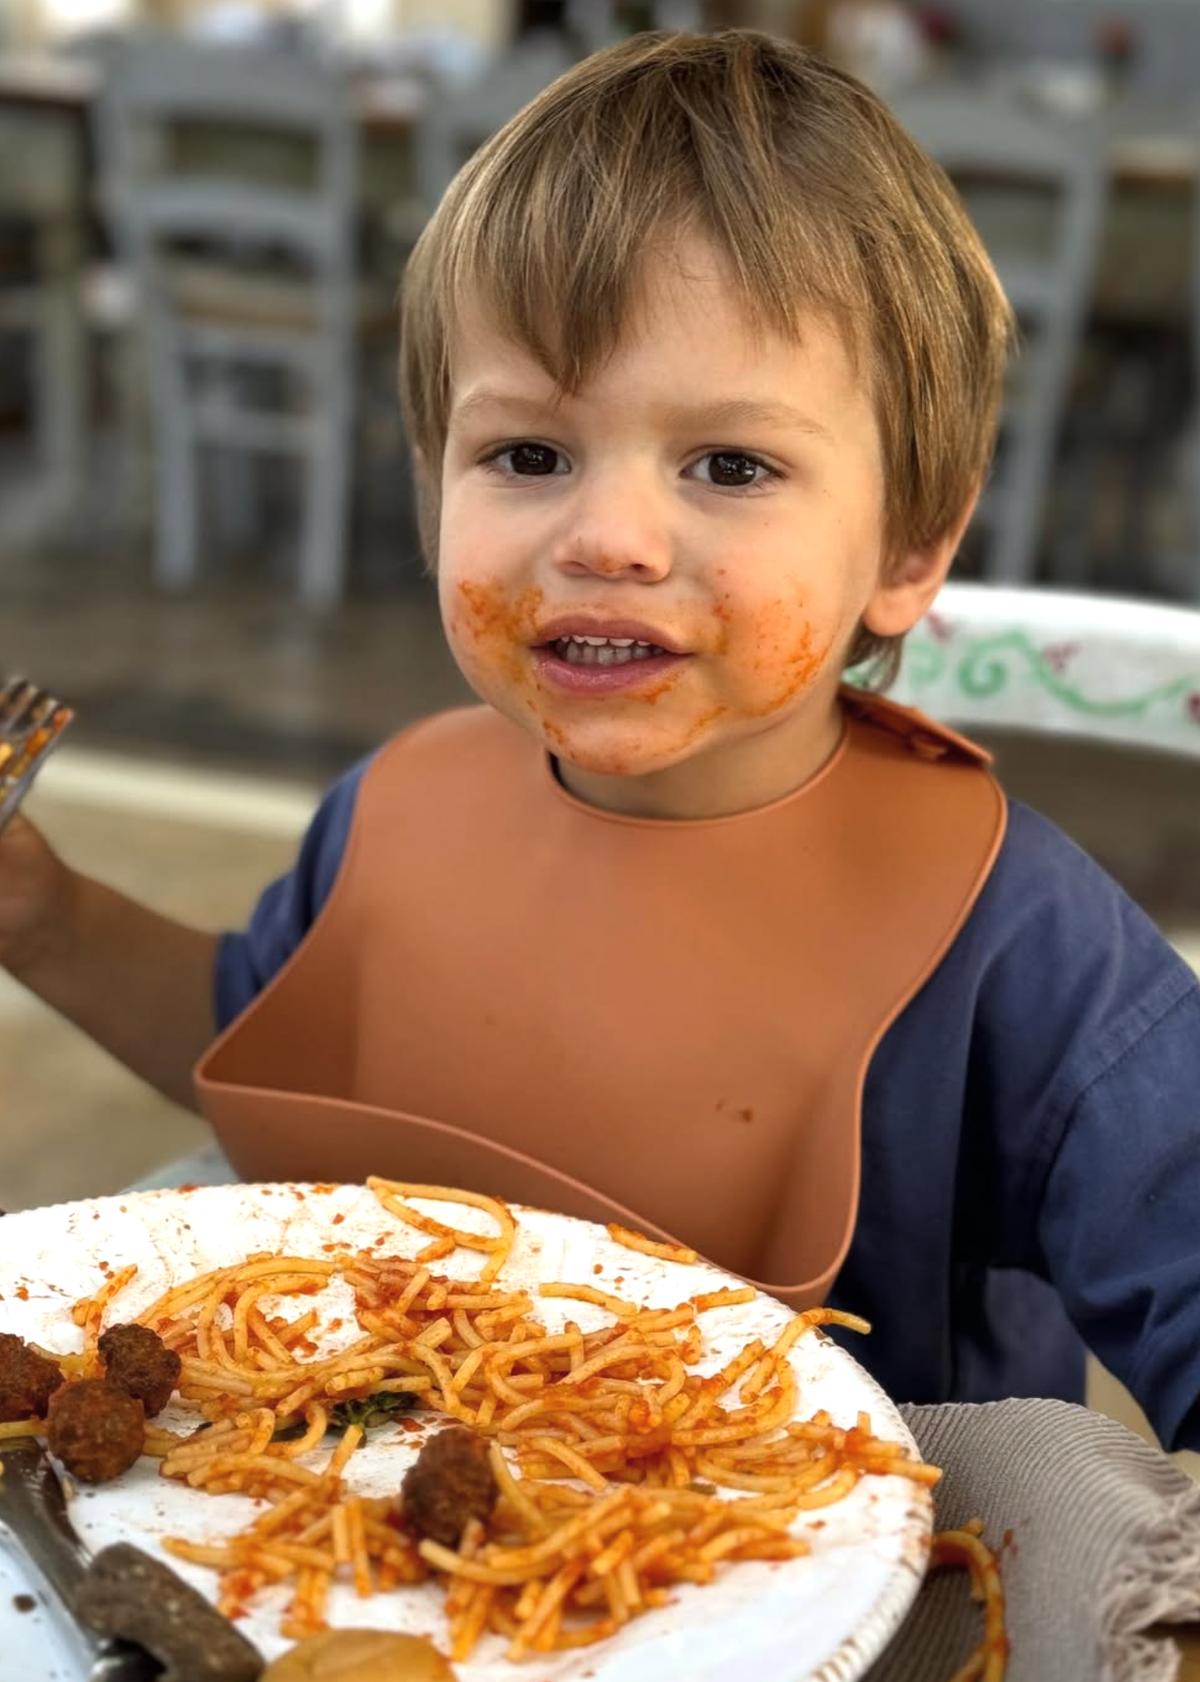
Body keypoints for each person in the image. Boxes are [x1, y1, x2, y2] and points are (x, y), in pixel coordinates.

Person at [2, 30, 1197, 1446]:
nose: (609, 537)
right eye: (528, 454)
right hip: (361, 1555)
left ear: (912, 541)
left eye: (731, 465)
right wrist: (43, 910)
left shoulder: (1024, 946)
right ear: (432, 478)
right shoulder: (397, 810)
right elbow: (275, 1054)